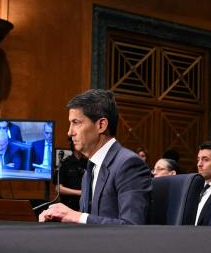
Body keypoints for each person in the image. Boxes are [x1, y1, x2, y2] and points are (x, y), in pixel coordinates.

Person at [38, 89, 151, 224]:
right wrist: (60, 218)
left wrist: (76, 216)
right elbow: (89, 222)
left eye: (76, 122)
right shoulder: (89, 170)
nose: (69, 132)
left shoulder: (129, 164)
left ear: (101, 125)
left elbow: (133, 226)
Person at [58, 140, 88, 211]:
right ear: (74, 145)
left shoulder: (88, 163)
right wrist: (79, 193)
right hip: (68, 206)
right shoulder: (65, 164)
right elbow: (59, 188)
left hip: (84, 205)